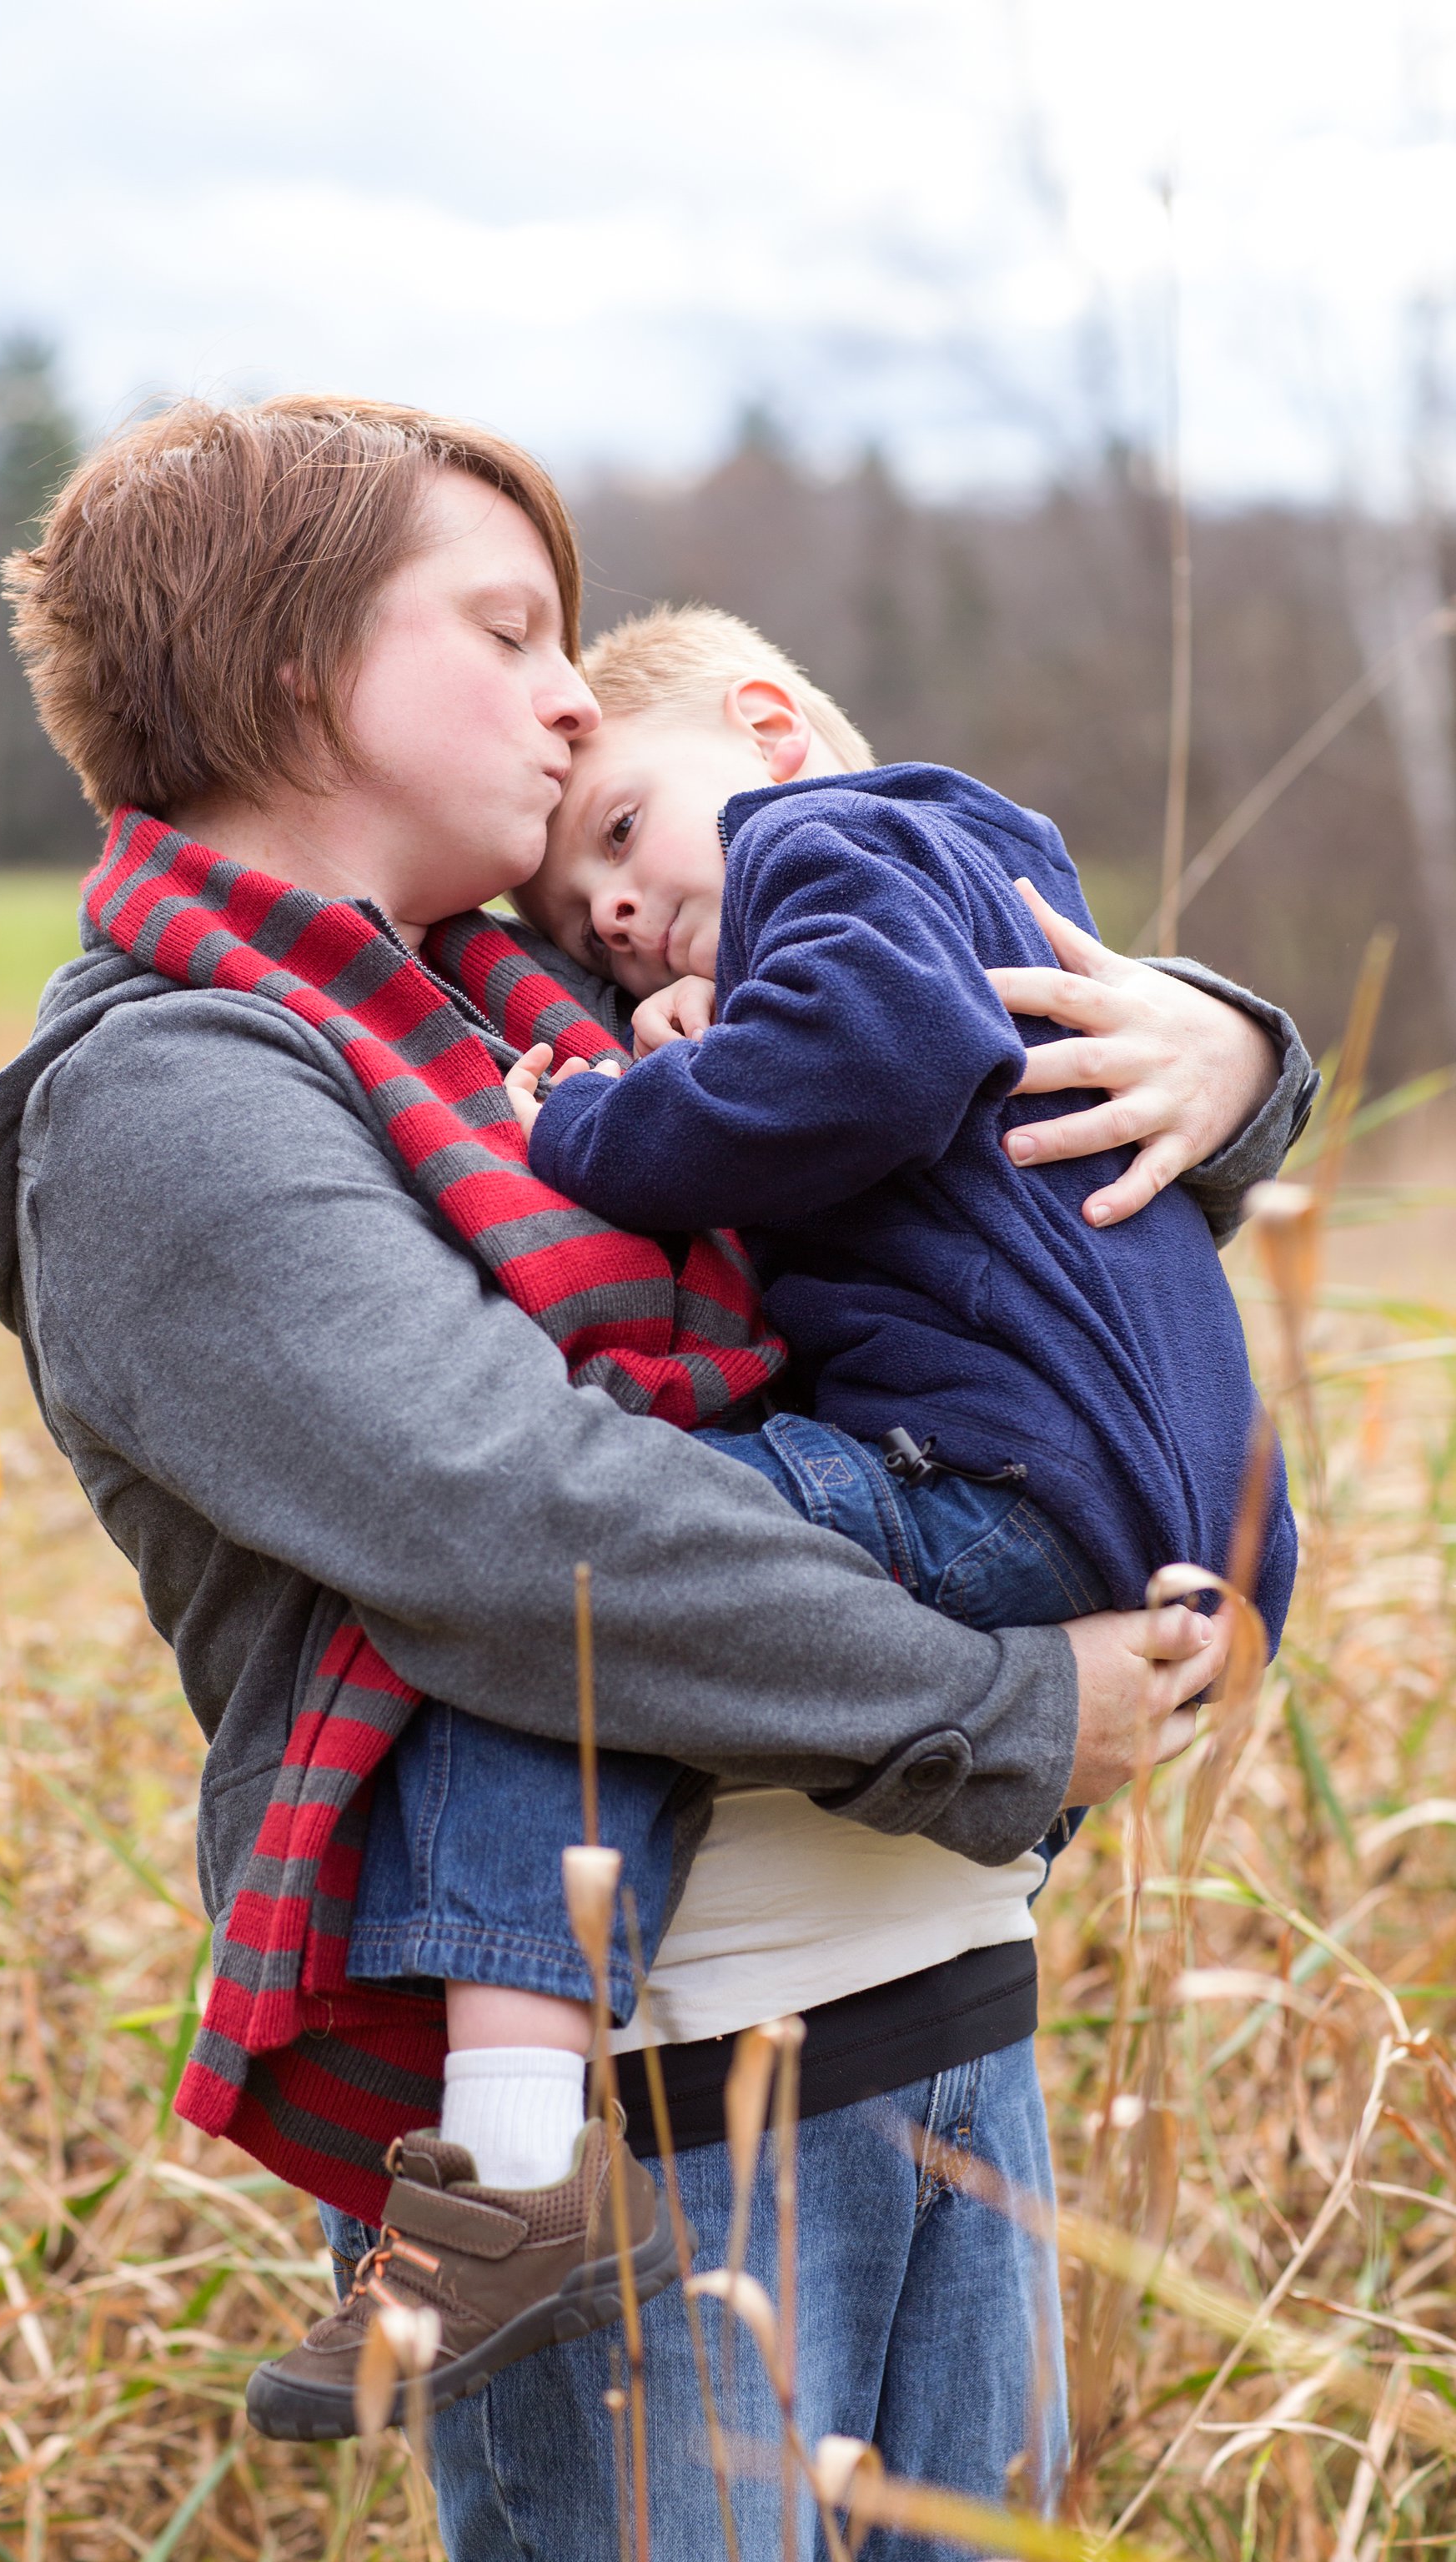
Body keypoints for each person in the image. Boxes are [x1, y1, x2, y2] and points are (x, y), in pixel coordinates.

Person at [0, 395, 1313, 2561]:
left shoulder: (561, 998)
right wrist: (1011, 1709)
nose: (574, 692)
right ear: (297, 666)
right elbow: (519, 1522)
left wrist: (1229, 1056)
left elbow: (969, 1197)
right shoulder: (175, 1091)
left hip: (951, 2024)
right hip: (649, 2135)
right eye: (504, 628)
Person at [298, 600, 1296, 2439]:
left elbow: (869, 1054)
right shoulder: (956, 868)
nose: (598, 917)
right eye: (570, 917)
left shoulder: (824, 836)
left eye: (615, 838)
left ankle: (509, 2175)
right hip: (1163, 1516)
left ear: (768, 731)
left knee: (555, 1614)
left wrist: (596, 1126)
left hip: (999, 1477)